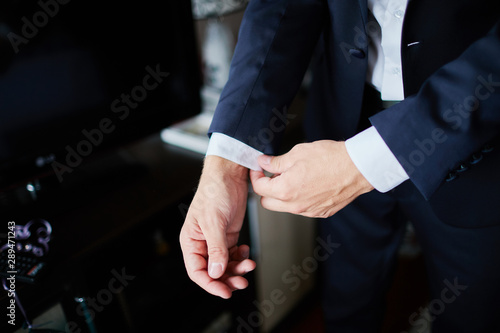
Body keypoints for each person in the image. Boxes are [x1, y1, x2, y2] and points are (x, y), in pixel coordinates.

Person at [179, 0, 500, 331]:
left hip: (478, 153)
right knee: (346, 306)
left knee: (473, 316)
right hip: (338, 134)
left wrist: (363, 164)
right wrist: (226, 165)